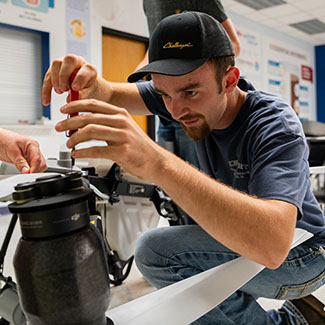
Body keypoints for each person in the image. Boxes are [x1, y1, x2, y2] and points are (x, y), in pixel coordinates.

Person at [42, 12, 325, 324]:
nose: (175, 110)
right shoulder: (180, 93)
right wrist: (88, 81)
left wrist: (159, 163)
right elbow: (109, 93)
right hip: (259, 247)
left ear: (229, 80)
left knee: (158, 253)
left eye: (190, 92)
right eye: (163, 94)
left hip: (304, 254)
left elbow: (273, 247)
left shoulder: (275, 125)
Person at [139, 0, 241, 224]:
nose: (175, 111)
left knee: (196, 184)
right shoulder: (149, 3)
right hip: (171, 102)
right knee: (172, 191)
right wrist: (144, 71)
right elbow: (155, 49)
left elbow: (232, 43)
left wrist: (187, 74)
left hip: (192, 98)